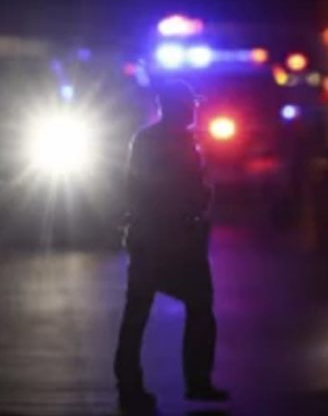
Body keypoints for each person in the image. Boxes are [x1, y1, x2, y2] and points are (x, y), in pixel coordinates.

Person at [113, 80, 228, 413]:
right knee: (196, 307)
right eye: (190, 104)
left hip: (152, 239)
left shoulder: (150, 140)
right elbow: (184, 192)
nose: (195, 109)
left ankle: (130, 383)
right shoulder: (177, 143)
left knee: (138, 313)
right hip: (172, 240)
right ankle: (196, 381)